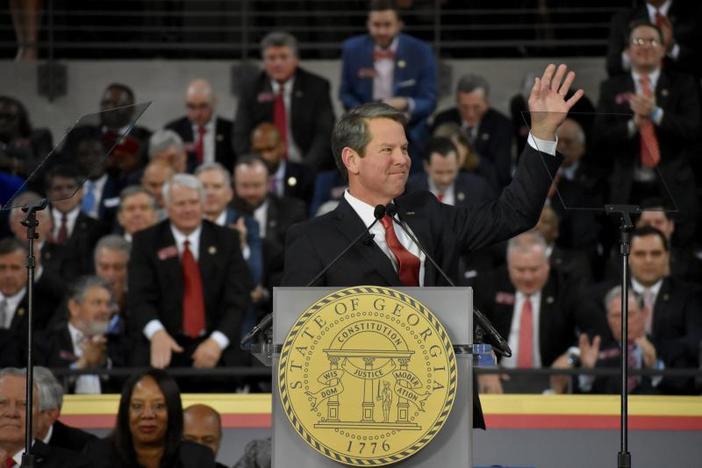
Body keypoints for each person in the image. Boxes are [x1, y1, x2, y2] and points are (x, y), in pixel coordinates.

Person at [281, 63, 585, 427]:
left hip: (443, 403)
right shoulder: (312, 239)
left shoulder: (427, 212)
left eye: (405, 148)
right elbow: (293, 343)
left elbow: (514, 214)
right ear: (352, 160)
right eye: (388, 149)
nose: (403, 159)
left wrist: (543, 133)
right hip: (357, 417)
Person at [127, 174, 253, 370]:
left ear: (203, 204)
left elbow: (238, 300)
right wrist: (156, 333)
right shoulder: (145, 242)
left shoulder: (227, 240)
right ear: (167, 207)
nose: (188, 209)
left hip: (218, 352)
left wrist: (216, 342)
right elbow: (139, 297)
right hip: (163, 350)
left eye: (193, 202)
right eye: (180, 204)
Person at [594, 20, 701, 245]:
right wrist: (634, 123)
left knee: (678, 252)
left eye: (652, 41)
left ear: (663, 49)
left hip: (674, 185)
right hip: (627, 187)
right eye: (638, 41)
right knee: (628, 250)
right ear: (627, 50)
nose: (645, 46)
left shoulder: (683, 84)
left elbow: (694, 129)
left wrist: (656, 113)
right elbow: (600, 137)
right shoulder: (611, 87)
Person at [474, 232, 578, 394]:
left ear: (547, 265)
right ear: (508, 266)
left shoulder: (565, 287)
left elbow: (592, 330)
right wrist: (484, 363)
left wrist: (571, 357)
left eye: (534, 269)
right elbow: (469, 331)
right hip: (501, 382)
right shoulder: (488, 285)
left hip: (550, 383)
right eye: (520, 270)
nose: (527, 277)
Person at [339, 0, 437, 168]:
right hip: (366, 127)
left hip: (409, 128)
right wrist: (365, 113)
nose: (382, 31)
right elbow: (345, 93)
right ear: (368, 24)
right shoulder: (352, 49)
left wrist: (406, 103)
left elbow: (430, 99)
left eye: (387, 24)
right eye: (376, 25)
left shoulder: (421, 50)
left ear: (399, 25)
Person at [232, 31, 335, 170]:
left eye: (283, 57)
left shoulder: (317, 87)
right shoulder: (250, 90)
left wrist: (306, 169)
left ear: (296, 59)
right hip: (263, 167)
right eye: (271, 58)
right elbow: (240, 136)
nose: (277, 63)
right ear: (264, 61)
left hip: (308, 165)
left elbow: (325, 133)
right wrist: (258, 167)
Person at [82, 369, 215, 468]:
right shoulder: (97, 456)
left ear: (173, 411)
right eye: (137, 406)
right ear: (125, 412)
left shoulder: (198, 458)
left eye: (158, 406)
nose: (147, 415)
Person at [37, 276, 128, 393]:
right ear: (74, 307)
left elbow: (127, 388)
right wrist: (81, 365)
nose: (105, 310)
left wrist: (103, 364)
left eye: (107, 304)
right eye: (97, 303)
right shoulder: (46, 342)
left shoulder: (117, 343)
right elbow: (39, 390)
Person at [432, 73, 514, 189]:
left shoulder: (501, 125)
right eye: (464, 107)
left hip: (487, 193)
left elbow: (502, 176)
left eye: (476, 107)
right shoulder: (443, 120)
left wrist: (469, 157)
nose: (470, 114)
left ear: (487, 103)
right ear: (457, 103)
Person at [0, 368, 90, 467]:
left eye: (24, 405)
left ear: (39, 413)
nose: (12, 413)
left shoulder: (74, 465)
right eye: (1, 403)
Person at [605, 0, 702, 79]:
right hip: (636, 95)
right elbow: (613, 68)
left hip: (683, 97)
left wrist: (671, 48)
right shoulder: (623, 19)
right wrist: (631, 53)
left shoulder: (694, 16)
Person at [44, 164, 106, 283]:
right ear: (48, 194)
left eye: (70, 187)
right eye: (58, 188)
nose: (65, 193)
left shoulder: (98, 228)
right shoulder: (36, 226)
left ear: (81, 192)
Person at [165, 79, 236, 172]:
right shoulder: (173, 131)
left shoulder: (231, 130)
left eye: (203, 106)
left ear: (214, 102)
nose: (197, 113)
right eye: (191, 106)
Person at [405, 136, 495, 206]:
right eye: (439, 172)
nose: (445, 179)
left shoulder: (478, 189)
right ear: (427, 166)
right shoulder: (410, 189)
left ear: (457, 164)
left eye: (450, 172)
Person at [250, 122, 315, 208]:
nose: (264, 156)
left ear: (282, 147)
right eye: (258, 151)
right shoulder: (247, 179)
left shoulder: (304, 176)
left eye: (269, 149)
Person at [33, 366, 98, 452]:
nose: (11, 413)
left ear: (51, 414)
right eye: (8, 403)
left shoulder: (84, 448)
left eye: (23, 405)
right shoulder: (10, 445)